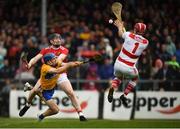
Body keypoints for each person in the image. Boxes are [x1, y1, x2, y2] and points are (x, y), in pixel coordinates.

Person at [24, 33, 87, 121]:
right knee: (34, 90)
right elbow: (35, 58)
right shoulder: (45, 50)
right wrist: (30, 64)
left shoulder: (64, 50)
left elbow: (59, 60)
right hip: (48, 73)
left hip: (60, 73)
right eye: (56, 39)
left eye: (59, 38)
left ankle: (81, 114)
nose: (58, 40)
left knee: (71, 93)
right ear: (51, 41)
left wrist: (71, 64)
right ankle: (28, 104)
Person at [107, 20, 149, 107]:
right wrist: (122, 28)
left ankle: (112, 88)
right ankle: (124, 95)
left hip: (118, 64)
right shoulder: (145, 42)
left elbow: (121, 34)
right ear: (143, 32)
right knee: (135, 78)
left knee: (119, 77)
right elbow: (132, 38)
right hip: (129, 67)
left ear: (135, 29)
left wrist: (119, 26)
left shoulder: (128, 35)